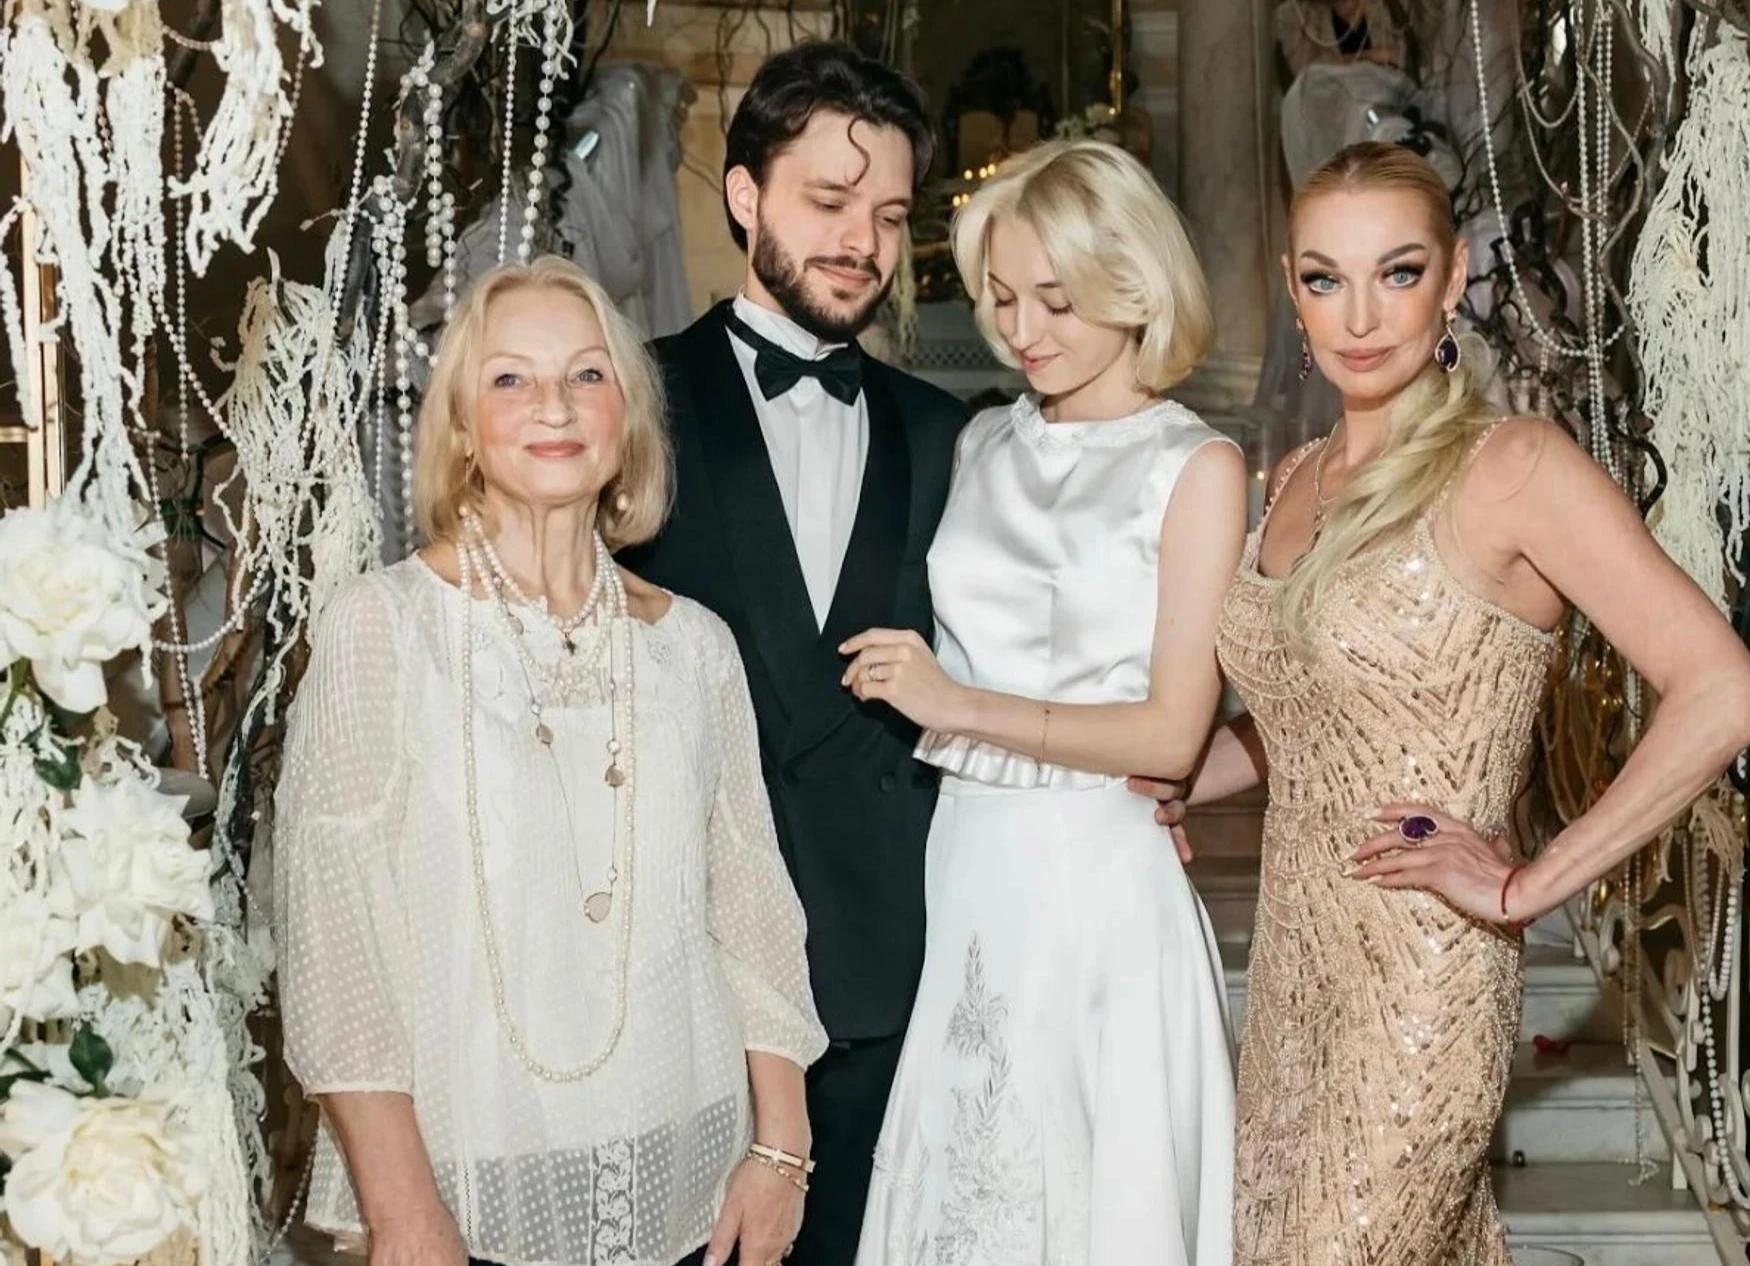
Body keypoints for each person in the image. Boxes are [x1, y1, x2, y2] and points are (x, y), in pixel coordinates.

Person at [1197, 141, 1750, 1263]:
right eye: (1324, 278)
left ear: (1455, 276)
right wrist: (1162, 782)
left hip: (1426, 979)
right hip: (1292, 974)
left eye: (1399, 272)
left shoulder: (1512, 466)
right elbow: (1301, 722)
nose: (1360, 315)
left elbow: (1726, 695)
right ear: (1291, 291)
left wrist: (1526, 886)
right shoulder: (1295, 476)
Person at [276, 257, 827, 1266]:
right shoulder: (383, 627)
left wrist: (780, 1150)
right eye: (510, 379)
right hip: (466, 1183)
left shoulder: (695, 646)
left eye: (586, 374)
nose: (555, 406)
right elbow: (336, 945)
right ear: (460, 427)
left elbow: (751, 904)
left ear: (627, 419)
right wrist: (403, 1212)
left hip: (693, 1178)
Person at [844, 138, 1241, 1266]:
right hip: (973, 860)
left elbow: (1174, 732)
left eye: (1056, 300)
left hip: (1099, 875)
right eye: (1003, 297)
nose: (1022, 330)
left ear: (1135, 285)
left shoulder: (1194, 468)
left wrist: (956, 705)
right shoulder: (980, 442)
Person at [615, 42, 966, 1266]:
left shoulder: (945, 435)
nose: (862, 242)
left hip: (884, 978)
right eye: (827, 201)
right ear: (744, 194)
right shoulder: (626, 404)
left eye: (890, 215)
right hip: (672, 986)